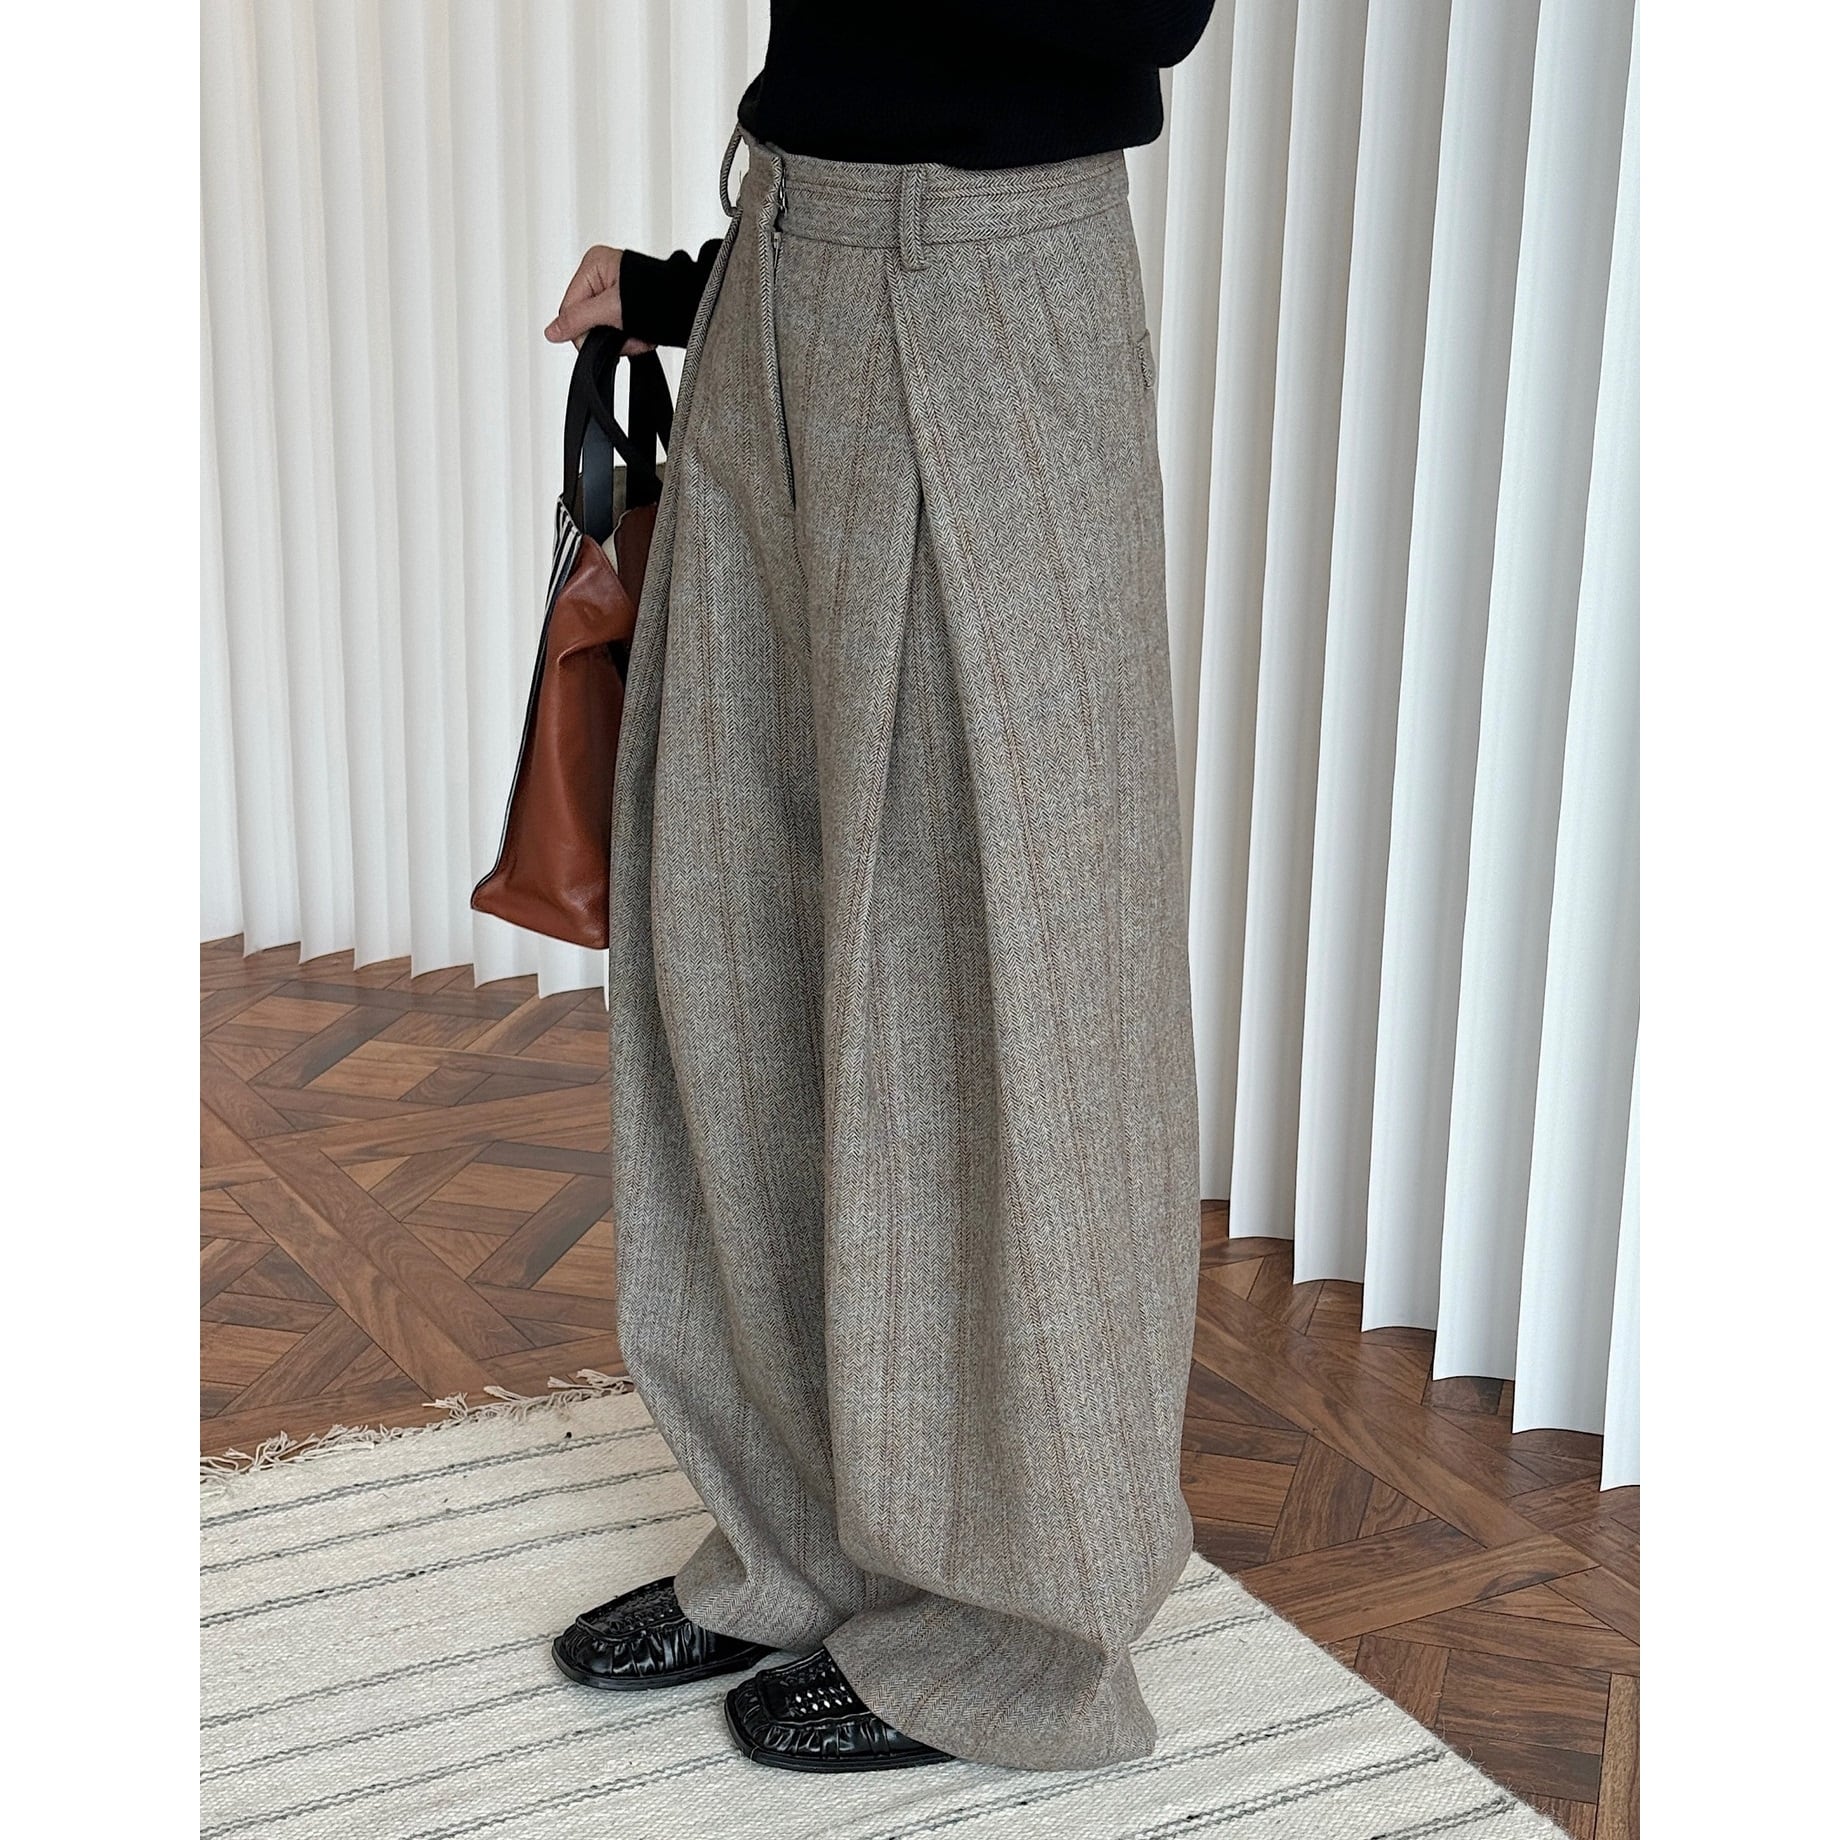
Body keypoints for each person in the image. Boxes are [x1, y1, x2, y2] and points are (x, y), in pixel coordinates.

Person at [542, 1, 1217, 1777]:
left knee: (1005, 985)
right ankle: (797, 1549)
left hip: (992, 284)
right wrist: (705, 287)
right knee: (734, 947)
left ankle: (1016, 1636)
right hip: (790, 262)